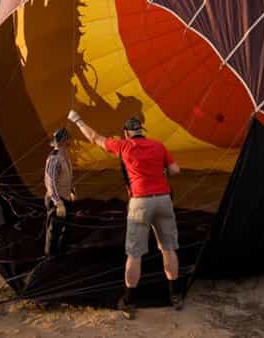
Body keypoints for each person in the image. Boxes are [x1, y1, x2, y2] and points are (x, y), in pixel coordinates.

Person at [68, 111, 181, 318]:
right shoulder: (158, 145)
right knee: (169, 248)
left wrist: (77, 119)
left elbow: (94, 138)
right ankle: (174, 295)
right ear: (141, 131)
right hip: (164, 200)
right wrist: (162, 171)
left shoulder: (123, 146)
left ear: (127, 133)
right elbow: (175, 170)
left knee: (134, 253)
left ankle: (128, 300)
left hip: (140, 202)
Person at [43, 127, 75, 256]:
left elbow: (66, 178)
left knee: (64, 228)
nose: (69, 143)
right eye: (67, 141)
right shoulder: (54, 159)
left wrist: (71, 191)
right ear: (63, 142)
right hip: (57, 201)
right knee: (54, 231)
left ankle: (60, 253)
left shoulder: (65, 157)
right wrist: (58, 202)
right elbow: (51, 183)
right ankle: (50, 257)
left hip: (65, 198)